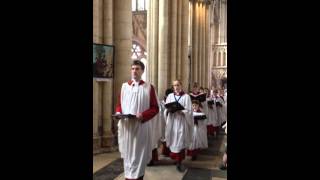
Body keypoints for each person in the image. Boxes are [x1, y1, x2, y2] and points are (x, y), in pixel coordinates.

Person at [115, 60, 159, 180]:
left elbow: (155, 108)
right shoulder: (124, 87)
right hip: (127, 127)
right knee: (128, 155)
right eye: (133, 68)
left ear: (142, 71)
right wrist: (118, 112)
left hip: (141, 126)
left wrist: (143, 115)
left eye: (137, 69)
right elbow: (119, 104)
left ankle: (138, 177)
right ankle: (128, 177)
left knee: (139, 155)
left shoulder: (149, 87)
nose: (134, 71)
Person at [164, 80, 193, 172]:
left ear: (181, 85)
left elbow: (189, 111)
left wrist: (182, 111)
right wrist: (168, 110)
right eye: (174, 85)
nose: (176, 87)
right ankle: (176, 159)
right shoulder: (170, 96)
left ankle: (179, 161)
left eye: (177, 85)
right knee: (173, 140)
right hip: (172, 121)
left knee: (180, 140)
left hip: (181, 122)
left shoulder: (186, 97)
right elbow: (166, 108)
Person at [159, 88, 174, 157]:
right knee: (164, 135)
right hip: (163, 121)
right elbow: (160, 112)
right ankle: (165, 151)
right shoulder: (161, 103)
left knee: (171, 135)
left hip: (171, 121)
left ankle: (171, 151)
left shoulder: (173, 102)